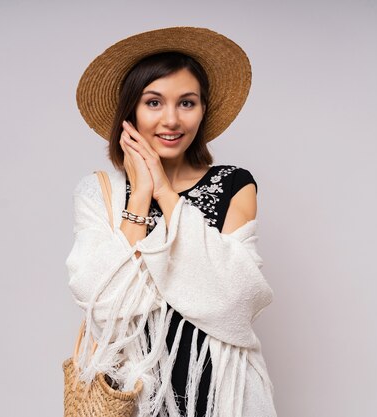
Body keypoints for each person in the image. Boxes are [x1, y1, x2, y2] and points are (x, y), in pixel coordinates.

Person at [66, 27, 277, 417]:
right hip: (132, 394)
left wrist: (166, 193)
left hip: (218, 391)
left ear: (202, 109)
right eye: (153, 102)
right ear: (130, 112)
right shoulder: (99, 192)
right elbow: (105, 305)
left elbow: (238, 299)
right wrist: (141, 193)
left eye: (187, 103)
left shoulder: (234, 184)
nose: (171, 119)